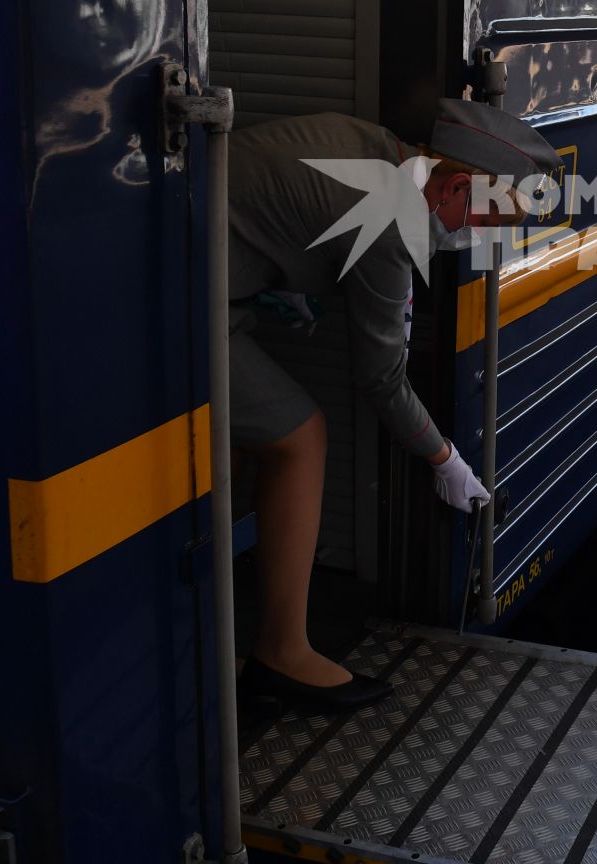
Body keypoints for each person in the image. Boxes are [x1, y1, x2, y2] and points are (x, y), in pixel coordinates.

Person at [228, 100, 560, 709]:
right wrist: (445, 462)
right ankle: (281, 653)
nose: (485, 238)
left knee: (246, 444)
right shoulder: (395, 218)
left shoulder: (386, 151)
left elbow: (279, 203)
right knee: (299, 439)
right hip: (177, 290)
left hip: (196, 264)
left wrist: (275, 280)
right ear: (456, 183)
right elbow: (380, 377)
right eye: (490, 220)